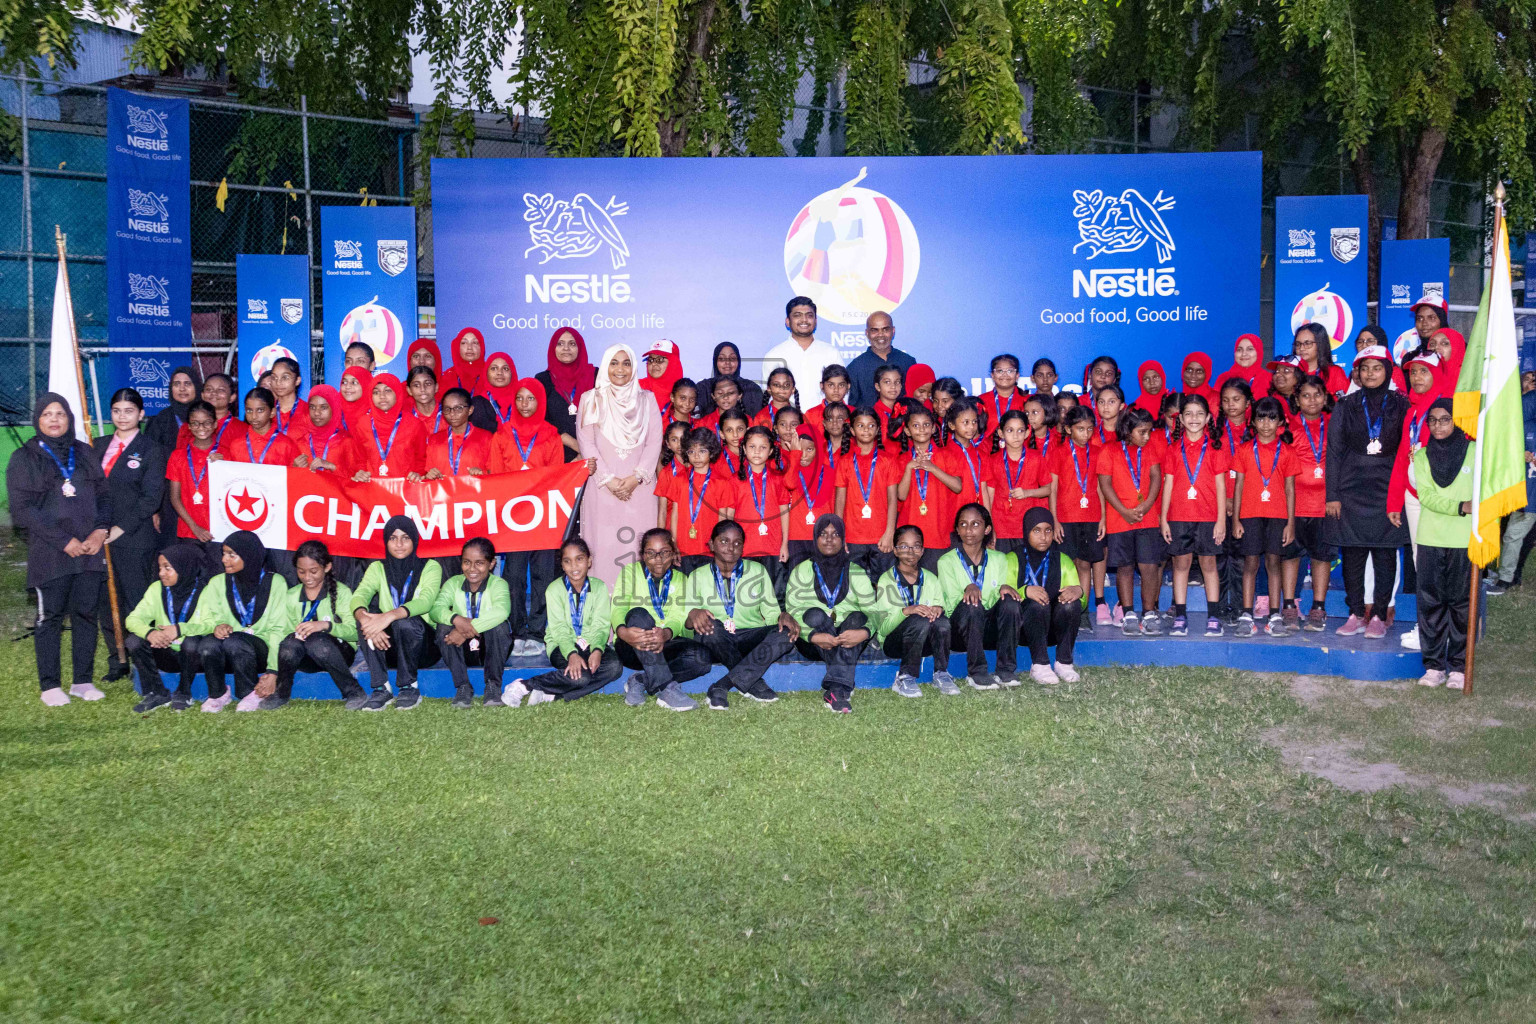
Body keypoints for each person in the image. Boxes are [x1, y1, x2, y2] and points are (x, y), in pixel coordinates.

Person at [7, 394, 111, 705]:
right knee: (50, 617)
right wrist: (64, 541)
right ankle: (50, 686)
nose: (54, 420)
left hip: (90, 549)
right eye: (47, 414)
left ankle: (82, 681)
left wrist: (99, 531)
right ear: (38, 420)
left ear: (70, 419)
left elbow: (105, 497)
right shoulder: (23, 458)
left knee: (85, 614)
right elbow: (23, 510)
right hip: (51, 552)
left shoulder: (85, 453)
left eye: (61, 414)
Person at [1326, 343, 1410, 638]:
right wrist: (1332, 495)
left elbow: (1406, 451)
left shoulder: (1403, 404)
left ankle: (1378, 615)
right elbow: (1334, 452)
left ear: (1388, 371)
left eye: (1377, 368)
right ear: (1357, 373)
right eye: (1365, 368)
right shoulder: (1346, 405)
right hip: (1351, 488)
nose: (1371, 373)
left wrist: (1400, 496)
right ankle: (1355, 612)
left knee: (1386, 553)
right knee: (1353, 553)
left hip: (1388, 488)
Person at [93, 388, 167, 683]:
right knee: (106, 598)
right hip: (99, 536)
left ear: (140, 414)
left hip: (135, 536)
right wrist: (99, 530)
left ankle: (142, 658)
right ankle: (117, 658)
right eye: (116, 411)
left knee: (136, 599)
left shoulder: (151, 449)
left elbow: (151, 498)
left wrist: (119, 529)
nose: (122, 417)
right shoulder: (96, 446)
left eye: (128, 411)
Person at [489, 378, 566, 655]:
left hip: (543, 516)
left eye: (530, 398)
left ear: (540, 401)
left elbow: (558, 477)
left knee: (544, 576)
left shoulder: (551, 434)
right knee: (514, 576)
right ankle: (517, 630)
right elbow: (496, 477)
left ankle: (537, 632)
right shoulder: (502, 434)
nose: (524, 404)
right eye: (519, 398)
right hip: (512, 518)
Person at [684, 520, 796, 709]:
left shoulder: (758, 571)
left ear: (743, 547)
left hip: (749, 637)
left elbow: (771, 612)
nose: (731, 547)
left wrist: (781, 617)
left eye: (737, 543)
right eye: (724, 541)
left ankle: (722, 685)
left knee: (785, 633)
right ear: (712, 545)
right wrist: (694, 613)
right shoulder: (697, 575)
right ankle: (754, 683)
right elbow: (688, 622)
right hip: (717, 640)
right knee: (711, 626)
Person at [579, 343, 666, 587]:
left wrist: (635, 478)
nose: (620, 369)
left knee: (639, 547)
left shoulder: (646, 399)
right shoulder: (590, 399)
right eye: (614, 363)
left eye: (626, 363)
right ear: (605, 366)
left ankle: (643, 611)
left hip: (640, 489)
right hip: (603, 490)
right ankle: (604, 616)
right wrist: (611, 481)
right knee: (604, 547)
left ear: (634, 368)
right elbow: (587, 444)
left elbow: (654, 442)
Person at [181, 530, 289, 712]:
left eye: (232, 555)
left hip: (260, 650)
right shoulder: (217, 583)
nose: (224, 559)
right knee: (208, 644)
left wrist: (273, 671)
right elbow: (207, 618)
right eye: (223, 553)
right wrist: (217, 626)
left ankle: (250, 692)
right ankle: (218, 694)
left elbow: (280, 629)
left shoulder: (276, 583)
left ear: (249, 555)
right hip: (229, 648)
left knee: (235, 641)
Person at [784, 514, 875, 713]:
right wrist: (812, 635)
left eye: (835, 534)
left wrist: (865, 632)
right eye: (823, 534)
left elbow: (873, 611)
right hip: (812, 640)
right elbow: (792, 612)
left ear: (843, 540)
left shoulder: (856, 571)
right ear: (815, 538)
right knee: (815, 614)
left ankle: (835, 690)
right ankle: (842, 683)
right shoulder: (801, 570)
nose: (829, 539)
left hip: (848, 638)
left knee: (858, 618)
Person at [1412, 399, 1474, 689]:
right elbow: (1426, 497)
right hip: (1430, 538)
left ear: (1457, 421)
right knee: (1431, 604)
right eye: (1432, 420)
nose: (1438, 425)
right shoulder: (1421, 456)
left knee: (1461, 605)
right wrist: (1461, 506)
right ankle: (1434, 666)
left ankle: (1460, 667)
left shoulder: (1476, 453)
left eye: (1445, 419)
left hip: (1463, 541)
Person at [350, 516, 443, 711]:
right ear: (386, 541)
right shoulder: (377, 568)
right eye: (393, 538)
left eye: (405, 538)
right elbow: (360, 595)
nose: (399, 544)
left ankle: (409, 687)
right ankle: (381, 688)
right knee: (364, 618)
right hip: (390, 646)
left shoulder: (430, 566)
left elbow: (425, 602)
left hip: (423, 647)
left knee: (405, 622)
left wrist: (389, 616)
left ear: (415, 540)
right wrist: (365, 619)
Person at [612, 528, 710, 711]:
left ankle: (641, 680)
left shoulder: (681, 579)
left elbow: (678, 616)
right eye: (651, 553)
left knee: (702, 659)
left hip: (665, 643)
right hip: (632, 644)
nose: (658, 559)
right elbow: (618, 608)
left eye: (664, 553)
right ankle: (666, 688)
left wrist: (665, 633)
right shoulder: (629, 572)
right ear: (642, 555)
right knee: (638, 614)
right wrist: (622, 631)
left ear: (673, 554)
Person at [1159, 393, 1228, 638]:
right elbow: (1168, 484)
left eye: (1200, 414)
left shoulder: (1216, 448)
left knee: (1209, 565)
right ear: (1180, 419)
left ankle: (1213, 616)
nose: (1194, 418)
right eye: (1188, 414)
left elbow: (1221, 486)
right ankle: (1180, 615)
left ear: (1208, 417)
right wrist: (1164, 518)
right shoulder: (1173, 449)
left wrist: (1221, 520)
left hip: (1208, 517)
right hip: (1179, 516)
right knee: (1181, 565)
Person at [266, 540, 363, 710]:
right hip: (306, 658)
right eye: (301, 571)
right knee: (289, 644)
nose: (307, 577)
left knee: (317, 641)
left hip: (338, 654)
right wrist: (272, 671)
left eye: (313, 571)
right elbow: (280, 634)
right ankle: (281, 694)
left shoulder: (342, 592)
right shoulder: (291, 595)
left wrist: (327, 625)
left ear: (327, 567)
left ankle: (354, 692)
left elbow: (355, 633)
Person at [526, 537, 624, 703]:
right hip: (561, 644)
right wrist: (571, 654)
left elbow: (601, 625)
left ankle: (555, 695)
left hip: (591, 642)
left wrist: (597, 650)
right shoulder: (554, 589)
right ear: (562, 565)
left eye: (579, 559)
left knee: (615, 668)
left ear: (589, 561)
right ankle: (527, 685)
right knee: (581, 678)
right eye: (567, 561)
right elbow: (558, 629)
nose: (574, 567)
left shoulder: (599, 587)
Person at [1231, 397, 1298, 637]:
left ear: (1280, 421)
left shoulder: (1288, 452)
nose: (1266, 424)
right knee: (1250, 563)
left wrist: (1290, 523)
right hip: (1249, 514)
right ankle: (1247, 614)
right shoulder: (1244, 450)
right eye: (1261, 418)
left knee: (1273, 563)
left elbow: (1290, 489)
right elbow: (1238, 485)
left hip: (1278, 515)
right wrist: (1236, 519)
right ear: (1253, 422)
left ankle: (1274, 614)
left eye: (1272, 418)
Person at [938, 503, 1022, 690]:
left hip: (989, 630)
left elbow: (996, 599)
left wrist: (1003, 588)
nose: (969, 530)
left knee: (1010, 602)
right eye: (963, 524)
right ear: (957, 530)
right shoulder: (946, 562)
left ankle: (1005, 669)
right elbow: (951, 604)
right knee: (972, 604)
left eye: (975, 524)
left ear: (987, 529)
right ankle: (977, 672)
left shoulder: (1000, 558)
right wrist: (968, 588)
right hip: (961, 632)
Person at [871, 524, 957, 697]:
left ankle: (941, 673)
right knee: (918, 619)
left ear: (923, 550)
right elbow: (883, 629)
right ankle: (905, 677)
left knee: (942, 622)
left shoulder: (931, 579)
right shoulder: (886, 580)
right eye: (903, 546)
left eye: (916, 546)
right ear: (895, 551)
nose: (910, 551)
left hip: (924, 644)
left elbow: (941, 612)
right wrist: (906, 611)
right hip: (894, 644)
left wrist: (938, 609)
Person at [123, 543, 207, 713]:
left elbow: (212, 625)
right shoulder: (156, 589)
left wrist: (179, 629)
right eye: (160, 567)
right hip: (164, 650)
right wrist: (150, 633)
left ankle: (184, 693)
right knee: (133, 641)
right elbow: (132, 619)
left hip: (194, 657)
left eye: (168, 568)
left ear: (184, 568)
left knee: (192, 643)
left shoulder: (206, 591)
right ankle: (158, 692)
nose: (161, 573)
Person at [431, 536, 513, 708]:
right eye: (466, 562)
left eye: (479, 563)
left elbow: (502, 611)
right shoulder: (453, 583)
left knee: (499, 626)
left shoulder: (499, 584)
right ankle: (463, 686)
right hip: (461, 648)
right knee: (443, 627)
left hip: (490, 649)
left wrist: (465, 629)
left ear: (491, 564)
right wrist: (456, 619)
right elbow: (436, 609)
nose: (472, 569)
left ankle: (493, 686)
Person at [1050, 405, 1108, 630]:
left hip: (1091, 516)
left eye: (1090, 429)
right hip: (1066, 517)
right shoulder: (1058, 452)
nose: (1086, 434)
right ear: (1068, 429)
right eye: (1080, 429)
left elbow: (1100, 487)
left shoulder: (1097, 452)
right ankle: (1068, 609)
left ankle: (1082, 610)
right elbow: (1053, 489)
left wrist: (1103, 517)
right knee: (1070, 565)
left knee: (1085, 564)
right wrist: (1054, 520)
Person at [1015, 507, 1085, 685]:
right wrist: (1025, 591)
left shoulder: (1063, 559)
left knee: (1071, 604)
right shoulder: (1012, 558)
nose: (1043, 536)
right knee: (1037, 604)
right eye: (1036, 530)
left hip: (1054, 630)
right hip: (1024, 630)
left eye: (1048, 530)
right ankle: (1040, 665)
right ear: (1026, 532)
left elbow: (1081, 604)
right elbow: (1002, 596)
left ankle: (1064, 663)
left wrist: (1079, 592)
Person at [835, 407, 900, 576]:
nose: (866, 430)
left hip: (881, 537)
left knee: (884, 585)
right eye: (861, 426)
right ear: (851, 430)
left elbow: (893, 499)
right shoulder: (845, 461)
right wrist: (840, 535)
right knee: (855, 588)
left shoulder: (888, 460)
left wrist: (890, 533)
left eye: (871, 426)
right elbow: (840, 501)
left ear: (878, 429)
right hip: (852, 537)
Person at [894, 403, 960, 563]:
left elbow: (957, 487)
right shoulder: (903, 459)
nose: (922, 429)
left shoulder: (945, 455)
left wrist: (932, 468)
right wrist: (910, 467)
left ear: (933, 428)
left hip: (938, 530)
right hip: (909, 531)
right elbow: (901, 496)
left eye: (926, 425)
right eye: (915, 425)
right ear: (907, 431)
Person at [1486, 383, 1536, 594]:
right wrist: (1519, 453)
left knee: (1513, 535)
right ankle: (1508, 575)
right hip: (1525, 491)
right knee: (1512, 534)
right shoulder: (1527, 426)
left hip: (1530, 495)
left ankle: (1507, 579)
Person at [671, 427, 743, 572]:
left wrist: (719, 546)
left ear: (711, 453)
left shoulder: (722, 482)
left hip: (709, 549)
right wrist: (673, 544)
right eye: (691, 451)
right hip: (683, 547)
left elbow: (723, 519)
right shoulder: (679, 479)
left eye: (702, 451)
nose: (696, 456)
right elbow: (675, 513)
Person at [985, 410, 1049, 555]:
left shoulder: (1036, 458)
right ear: (1001, 433)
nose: (1016, 435)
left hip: (1028, 526)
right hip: (1001, 527)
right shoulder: (993, 460)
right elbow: (988, 497)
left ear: (1027, 433)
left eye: (1020, 430)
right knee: (1005, 571)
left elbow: (1047, 489)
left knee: (1026, 571)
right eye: (1010, 430)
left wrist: (1028, 493)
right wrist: (991, 529)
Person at [165, 400, 221, 565]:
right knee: (192, 578)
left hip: (219, 531)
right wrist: (194, 527)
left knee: (216, 578)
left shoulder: (225, 454)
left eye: (206, 423)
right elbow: (174, 498)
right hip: (189, 531)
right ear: (188, 426)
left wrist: (226, 465)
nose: (201, 427)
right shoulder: (178, 456)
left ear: (215, 424)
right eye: (195, 423)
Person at [735, 425, 792, 583]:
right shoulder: (735, 480)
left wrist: (784, 544)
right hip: (745, 549)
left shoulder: (778, 479)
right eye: (752, 447)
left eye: (763, 447)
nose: (757, 451)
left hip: (773, 548)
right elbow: (730, 518)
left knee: (775, 593)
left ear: (771, 451)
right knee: (747, 592)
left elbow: (784, 512)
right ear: (744, 450)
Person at [764, 299, 840, 412]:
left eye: (809, 315)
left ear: (815, 321)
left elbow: (842, 394)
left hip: (825, 422)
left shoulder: (831, 353)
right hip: (787, 424)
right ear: (787, 321)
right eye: (797, 315)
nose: (804, 319)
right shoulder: (774, 355)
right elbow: (769, 396)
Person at [351, 373, 427, 480]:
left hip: (404, 490)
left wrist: (418, 474)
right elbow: (359, 459)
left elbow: (422, 459)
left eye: (387, 390)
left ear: (397, 393)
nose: (382, 396)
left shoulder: (414, 424)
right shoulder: (362, 424)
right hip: (372, 489)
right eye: (376, 392)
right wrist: (361, 473)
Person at [537, 326, 597, 462]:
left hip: (595, 454)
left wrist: (586, 452)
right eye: (560, 344)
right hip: (557, 455)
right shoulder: (542, 380)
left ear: (580, 348)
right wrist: (577, 447)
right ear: (553, 348)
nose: (566, 348)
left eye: (572, 344)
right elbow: (542, 420)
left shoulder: (595, 376)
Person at [846, 311, 915, 409]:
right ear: (867, 333)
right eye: (875, 330)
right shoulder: (855, 368)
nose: (880, 335)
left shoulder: (908, 362)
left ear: (893, 331)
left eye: (885, 329)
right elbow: (851, 406)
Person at [424, 388, 491, 479]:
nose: (452, 413)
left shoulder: (486, 437)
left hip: (474, 492)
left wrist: (482, 472)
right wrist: (429, 475)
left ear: (470, 410)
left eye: (458, 408)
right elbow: (428, 472)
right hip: (443, 492)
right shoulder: (434, 440)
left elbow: (494, 470)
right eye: (447, 409)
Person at [697, 341, 767, 418]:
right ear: (715, 361)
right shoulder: (703, 388)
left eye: (732, 358)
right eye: (722, 359)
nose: (727, 362)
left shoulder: (752, 389)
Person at [1293, 323, 1350, 397]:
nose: (1301, 348)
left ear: (1320, 344)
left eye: (1307, 343)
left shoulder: (1334, 372)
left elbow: (1345, 404)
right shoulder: (1291, 373)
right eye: (1298, 344)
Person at [469, 352, 520, 432]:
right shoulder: (477, 403)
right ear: (486, 373)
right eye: (494, 368)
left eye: (505, 368)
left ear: (512, 373)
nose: (500, 373)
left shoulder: (522, 401)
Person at [981, 354, 1028, 437]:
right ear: (992, 375)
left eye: (1010, 371)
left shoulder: (1027, 400)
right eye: (1000, 371)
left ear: (1017, 375)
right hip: (986, 449)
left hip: (1019, 449)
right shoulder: (982, 401)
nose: (1005, 375)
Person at [803, 364, 852, 437]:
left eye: (841, 385)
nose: (836, 390)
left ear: (848, 386)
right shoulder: (811, 415)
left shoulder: (853, 413)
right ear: (822, 386)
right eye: (831, 385)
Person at [439, 326, 489, 397]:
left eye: (475, 343)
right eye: (464, 343)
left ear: (481, 347)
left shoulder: (491, 374)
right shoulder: (447, 378)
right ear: (457, 347)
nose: (469, 347)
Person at [267, 356, 309, 435]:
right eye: (274, 378)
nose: (278, 382)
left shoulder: (308, 411)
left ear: (297, 380)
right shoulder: (267, 411)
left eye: (285, 377)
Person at [639, 339, 684, 411]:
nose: (653, 364)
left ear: (673, 363)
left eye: (660, 360)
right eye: (650, 360)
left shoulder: (685, 394)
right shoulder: (636, 387)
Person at [406, 365, 444, 436]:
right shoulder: (406, 419)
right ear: (409, 390)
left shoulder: (448, 414)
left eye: (428, 384)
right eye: (416, 385)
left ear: (436, 387)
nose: (423, 389)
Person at [336, 365, 373, 433]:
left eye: (354, 382)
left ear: (366, 385)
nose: (348, 386)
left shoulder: (375, 414)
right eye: (344, 382)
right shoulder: (333, 410)